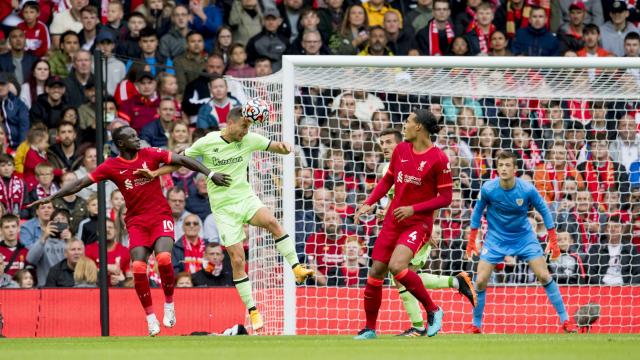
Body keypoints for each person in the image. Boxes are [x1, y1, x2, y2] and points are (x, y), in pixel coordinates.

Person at [28, 126, 230, 336]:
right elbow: (79, 183)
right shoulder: (112, 166)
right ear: (121, 144)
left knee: (163, 258)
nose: (137, 138)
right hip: (136, 222)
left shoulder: (150, 153)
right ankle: (151, 317)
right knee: (140, 268)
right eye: (132, 136)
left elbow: (182, 160)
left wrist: (210, 173)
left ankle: (169, 303)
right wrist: (52, 197)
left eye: (136, 134)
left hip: (160, 216)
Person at [138, 106, 313, 331]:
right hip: (223, 209)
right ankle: (253, 311)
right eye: (243, 127)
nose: (245, 132)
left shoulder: (250, 139)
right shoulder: (207, 142)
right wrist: (155, 173)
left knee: (273, 222)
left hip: (245, 198)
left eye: (248, 127)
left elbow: (274, 146)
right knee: (237, 259)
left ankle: (297, 268)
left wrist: (285, 147)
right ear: (230, 123)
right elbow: (180, 161)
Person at [352, 109, 453, 339]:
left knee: (398, 267)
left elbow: (446, 198)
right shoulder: (401, 149)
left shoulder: (439, 159)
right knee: (376, 272)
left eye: (407, 121)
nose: (403, 125)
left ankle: (434, 311)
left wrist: (413, 208)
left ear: (418, 127)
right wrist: (370, 201)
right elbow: (388, 178)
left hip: (418, 223)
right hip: (393, 221)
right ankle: (370, 329)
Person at [377, 128, 476, 337]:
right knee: (403, 274)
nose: (384, 147)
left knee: (401, 273)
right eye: (382, 143)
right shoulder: (388, 167)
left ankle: (419, 325)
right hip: (401, 226)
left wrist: (429, 226)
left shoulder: (415, 161)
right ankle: (455, 283)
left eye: (388, 143)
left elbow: (435, 196)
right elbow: (397, 200)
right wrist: (384, 214)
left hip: (418, 227)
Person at [465, 151, 578, 334]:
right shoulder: (488, 188)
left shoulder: (526, 189)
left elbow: (545, 210)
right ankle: (476, 325)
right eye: (501, 165)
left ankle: (566, 320)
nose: (503, 168)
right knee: (480, 281)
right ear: (497, 168)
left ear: (515, 169)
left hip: (524, 237)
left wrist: (553, 240)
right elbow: (477, 212)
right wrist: (472, 240)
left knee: (544, 276)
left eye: (508, 165)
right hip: (496, 239)